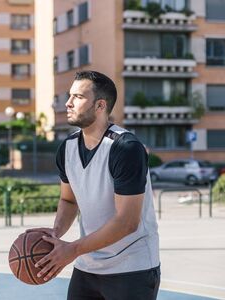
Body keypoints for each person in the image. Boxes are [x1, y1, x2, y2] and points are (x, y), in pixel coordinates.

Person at [29, 70, 160, 299]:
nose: (68, 103)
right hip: (88, 267)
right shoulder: (68, 147)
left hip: (131, 267)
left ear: (100, 106)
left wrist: (73, 249)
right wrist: (56, 233)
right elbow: (68, 199)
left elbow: (127, 222)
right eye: (70, 96)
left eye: (78, 97)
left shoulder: (126, 148)